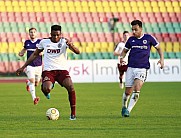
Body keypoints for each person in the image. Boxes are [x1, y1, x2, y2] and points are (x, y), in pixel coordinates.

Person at [16, 25, 80, 120]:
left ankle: (73, 114)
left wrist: (71, 44)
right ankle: (46, 89)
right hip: (48, 71)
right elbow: (34, 54)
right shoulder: (44, 42)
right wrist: (23, 67)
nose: (55, 37)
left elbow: (78, 52)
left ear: (60, 34)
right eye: (53, 35)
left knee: (71, 87)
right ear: (50, 34)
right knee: (46, 89)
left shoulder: (64, 41)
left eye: (57, 35)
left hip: (62, 70)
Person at [120, 20, 164, 117]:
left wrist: (162, 59)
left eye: (135, 30)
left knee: (136, 90)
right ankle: (124, 106)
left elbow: (159, 48)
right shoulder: (131, 40)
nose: (134, 32)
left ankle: (128, 110)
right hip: (131, 68)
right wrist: (121, 58)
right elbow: (124, 51)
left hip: (142, 68)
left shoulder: (149, 38)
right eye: (132, 30)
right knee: (127, 92)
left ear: (140, 28)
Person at [18, 27, 42, 105]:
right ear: (29, 34)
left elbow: (45, 50)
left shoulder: (40, 42)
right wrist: (21, 53)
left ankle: (28, 83)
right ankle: (34, 98)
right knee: (32, 81)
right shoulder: (27, 42)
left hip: (38, 65)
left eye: (34, 32)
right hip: (30, 65)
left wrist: (43, 53)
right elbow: (24, 49)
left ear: (36, 33)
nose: (32, 33)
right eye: (31, 32)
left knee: (36, 83)